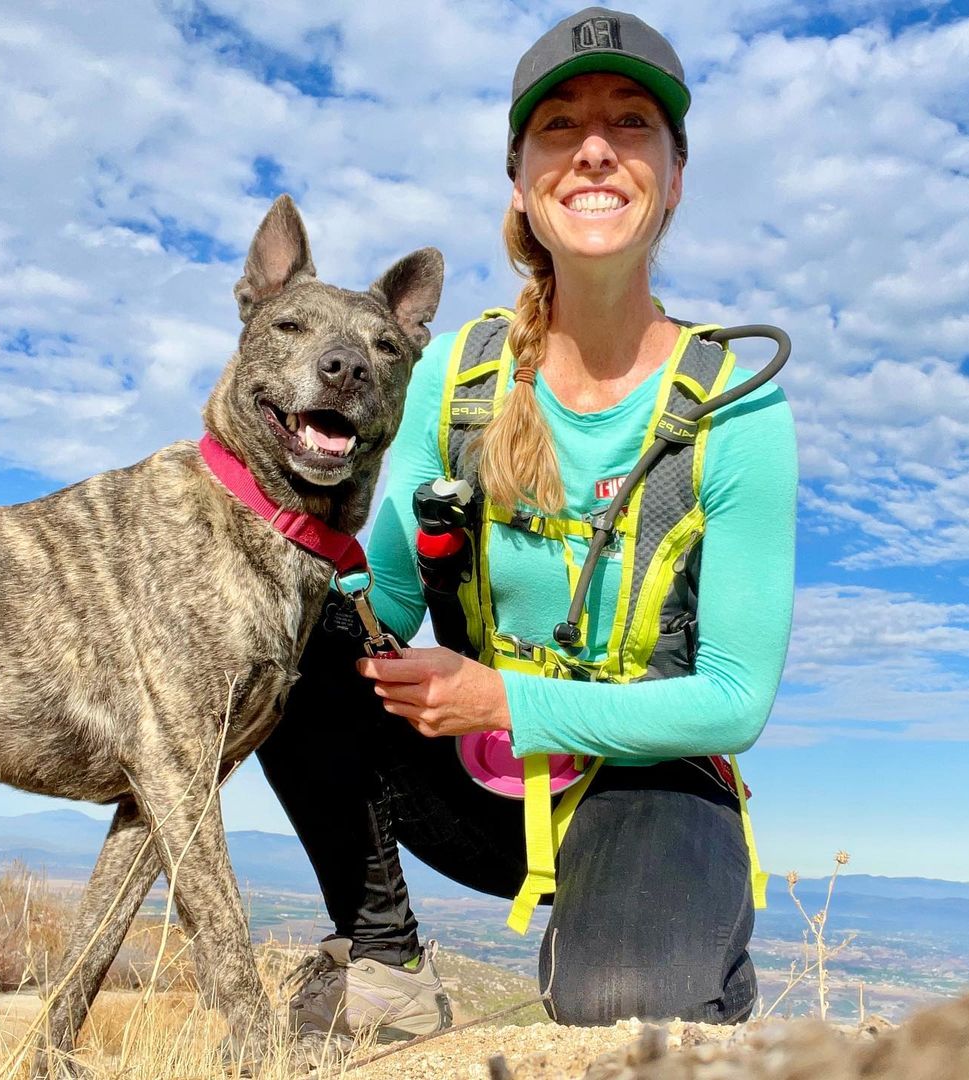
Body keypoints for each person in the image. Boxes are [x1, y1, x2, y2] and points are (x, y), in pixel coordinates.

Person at [258, 6, 797, 1038]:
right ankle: (383, 961)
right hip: (474, 773)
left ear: (674, 176)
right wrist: (278, 534)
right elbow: (380, 597)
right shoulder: (453, 379)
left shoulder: (740, 408)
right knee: (288, 633)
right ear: (522, 179)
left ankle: (642, 936)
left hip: (641, 781)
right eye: (560, 127)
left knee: (625, 1017)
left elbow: (733, 701)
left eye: (632, 123)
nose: (595, 147)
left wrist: (502, 697)